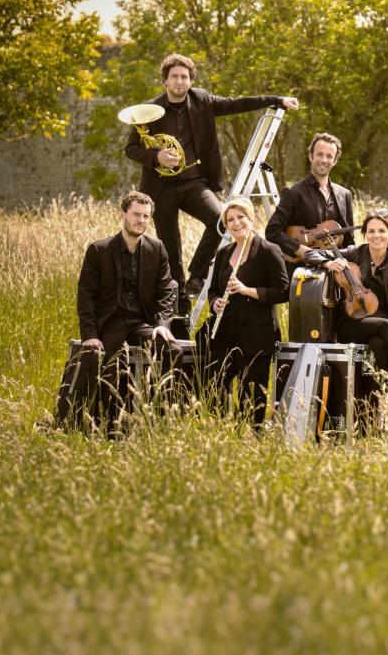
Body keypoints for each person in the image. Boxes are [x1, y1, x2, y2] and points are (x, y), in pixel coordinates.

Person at [124, 53, 299, 312]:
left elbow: (237, 103)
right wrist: (156, 156)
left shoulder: (202, 100)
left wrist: (276, 100)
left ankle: (196, 275)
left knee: (220, 220)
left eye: (185, 77)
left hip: (195, 183)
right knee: (171, 251)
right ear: (165, 80)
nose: (180, 82)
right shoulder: (149, 110)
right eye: (175, 77)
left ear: (191, 80)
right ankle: (180, 310)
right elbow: (130, 148)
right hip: (162, 188)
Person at [55, 191, 179, 431]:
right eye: (136, 215)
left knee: (170, 350)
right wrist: (89, 333)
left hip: (140, 322)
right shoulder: (99, 250)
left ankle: (155, 418)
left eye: (145, 216)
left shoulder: (157, 248)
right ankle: (99, 424)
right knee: (105, 362)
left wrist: (162, 325)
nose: (141, 220)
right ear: (124, 213)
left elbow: (166, 291)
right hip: (109, 323)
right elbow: (86, 296)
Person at [303, 209, 388, 401]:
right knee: (386, 325)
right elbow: (309, 254)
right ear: (365, 234)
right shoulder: (354, 253)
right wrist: (327, 263)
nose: (376, 236)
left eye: (381, 231)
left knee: (379, 344)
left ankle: (379, 404)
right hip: (351, 322)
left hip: (379, 330)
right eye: (371, 231)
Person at [203, 198, 289, 427]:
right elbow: (213, 290)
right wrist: (215, 303)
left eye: (241, 217)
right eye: (230, 219)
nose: (236, 222)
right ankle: (221, 431)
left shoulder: (269, 251)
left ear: (251, 219)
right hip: (226, 332)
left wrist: (246, 290)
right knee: (215, 382)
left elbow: (283, 292)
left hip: (257, 333)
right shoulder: (224, 253)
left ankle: (252, 437)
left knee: (250, 391)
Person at [265, 132, 355, 284]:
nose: (324, 160)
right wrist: (302, 250)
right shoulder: (293, 193)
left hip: (335, 270)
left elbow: (349, 239)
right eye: (319, 154)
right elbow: (272, 231)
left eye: (329, 156)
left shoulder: (344, 194)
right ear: (311, 156)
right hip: (304, 271)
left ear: (335, 161)